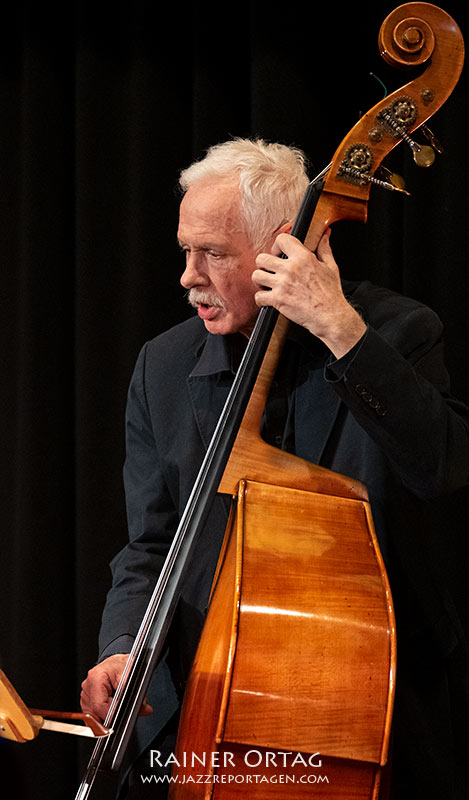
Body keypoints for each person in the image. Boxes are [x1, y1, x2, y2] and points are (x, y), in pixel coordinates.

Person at [80, 138, 469, 798]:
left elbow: (442, 468)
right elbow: (149, 545)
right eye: (185, 250)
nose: (188, 275)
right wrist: (121, 645)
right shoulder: (163, 368)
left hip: (368, 721)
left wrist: (339, 329)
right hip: (201, 721)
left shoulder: (397, 333)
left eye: (214, 253)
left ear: (282, 248)